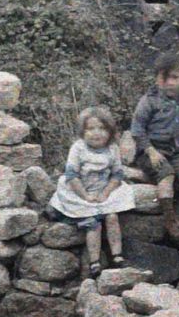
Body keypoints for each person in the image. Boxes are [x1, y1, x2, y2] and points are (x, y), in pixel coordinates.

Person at [46, 106, 137, 274]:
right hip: (79, 191)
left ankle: (117, 255)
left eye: (102, 128)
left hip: (103, 191)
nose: (96, 133)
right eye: (91, 129)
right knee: (92, 223)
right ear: (82, 132)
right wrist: (85, 195)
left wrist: (106, 193)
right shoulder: (78, 148)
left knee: (112, 217)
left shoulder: (112, 148)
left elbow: (117, 174)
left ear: (110, 131)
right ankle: (94, 261)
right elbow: (72, 175)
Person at [130, 51, 179, 242]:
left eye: (175, 77)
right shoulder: (149, 101)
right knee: (167, 175)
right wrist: (150, 151)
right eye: (164, 78)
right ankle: (171, 222)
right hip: (152, 151)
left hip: (176, 152)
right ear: (157, 79)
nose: (169, 82)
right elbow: (137, 129)